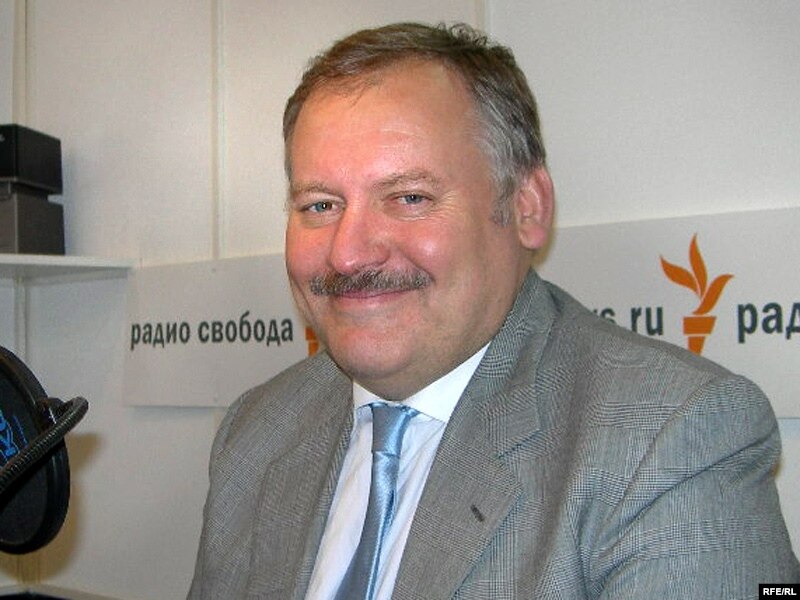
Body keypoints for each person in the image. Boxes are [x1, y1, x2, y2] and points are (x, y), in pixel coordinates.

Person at [189, 22, 799, 599]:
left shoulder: (670, 441)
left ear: (526, 208)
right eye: (320, 205)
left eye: (409, 197)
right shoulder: (257, 431)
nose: (348, 254)